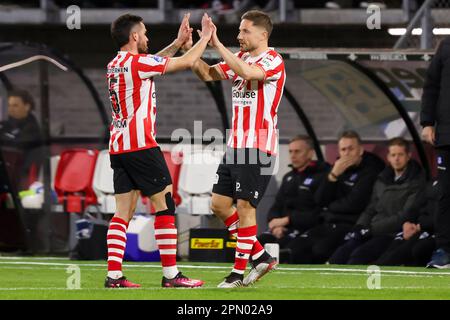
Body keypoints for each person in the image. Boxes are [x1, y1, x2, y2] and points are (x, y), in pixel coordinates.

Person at [104, 12, 214, 288]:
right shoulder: (137, 63)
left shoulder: (116, 63)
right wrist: (207, 38)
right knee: (165, 205)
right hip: (141, 146)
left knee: (122, 213)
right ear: (134, 37)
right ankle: (171, 275)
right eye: (144, 33)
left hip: (119, 147)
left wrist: (177, 42)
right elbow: (188, 62)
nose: (147, 37)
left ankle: (114, 276)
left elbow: (154, 62)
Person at [189, 10, 286, 287]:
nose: (239, 36)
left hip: (258, 145)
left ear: (263, 34)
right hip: (236, 145)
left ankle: (236, 274)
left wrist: (216, 43)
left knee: (245, 207)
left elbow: (247, 73)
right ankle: (260, 255)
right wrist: (191, 49)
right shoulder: (240, 57)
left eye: (245, 31)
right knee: (219, 205)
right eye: (239, 30)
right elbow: (207, 74)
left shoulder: (273, 60)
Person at [287, 130, 385, 264]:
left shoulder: (370, 171)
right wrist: (333, 175)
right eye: (343, 149)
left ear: (360, 150)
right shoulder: (336, 168)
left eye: (351, 149)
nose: (346, 153)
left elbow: (354, 204)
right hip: (328, 223)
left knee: (320, 249)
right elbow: (320, 200)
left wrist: (330, 205)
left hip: (349, 224)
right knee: (295, 247)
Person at [328, 137, 425, 265]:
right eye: (393, 155)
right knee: (339, 255)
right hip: (370, 230)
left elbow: (404, 216)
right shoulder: (382, 178)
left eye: (400, 154)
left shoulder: (416, 181)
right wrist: (359, 226)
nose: (396, 159)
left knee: (358, 256)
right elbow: (371, 207)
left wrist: (371, 229)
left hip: (391, 233)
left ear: (408, 156)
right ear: (388, 157)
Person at [257, 135, 330, 263]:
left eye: (297, 151)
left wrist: (287, 220)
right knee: (258, 243)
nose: (293, 155)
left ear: (310, 153)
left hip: (305, 229)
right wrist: (275, 226)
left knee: (289, 250)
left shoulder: (322, 176)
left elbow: (318, 213)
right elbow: (276, 206)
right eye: (290, 151)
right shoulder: (288, 177)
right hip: (281, 229)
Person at [421, 37, 450, 268]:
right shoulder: (446, 46)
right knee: (445, 194)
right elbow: (431, 85)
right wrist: (427, 122)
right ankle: (444, 250)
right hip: (447, 136)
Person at [375, 178, 437, 266]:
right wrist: (407, 222)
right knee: (389, 254)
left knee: (415, 250)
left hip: (432, 231)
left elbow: (442, 218)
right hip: (415, 226)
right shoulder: (432, 183)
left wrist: (420, 226)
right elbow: (415, 208)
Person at [0, 89, 43, 190]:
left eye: (15, 105)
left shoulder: (32, 128)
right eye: (9, 105)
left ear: (27, 107)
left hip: (19, 173)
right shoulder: (6, 124)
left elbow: (19, 145)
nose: (11, 109)